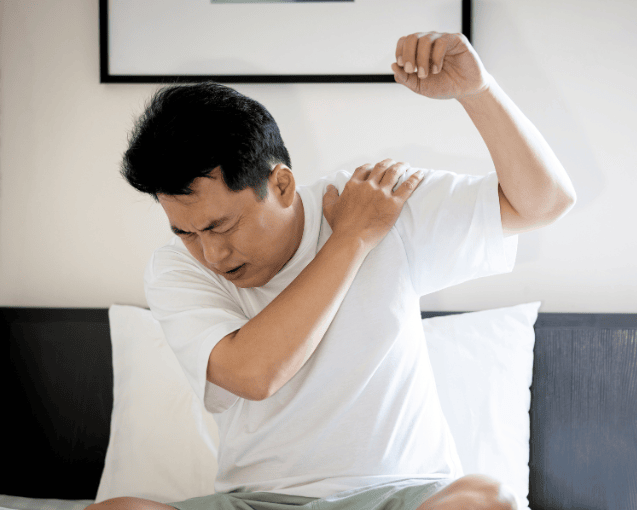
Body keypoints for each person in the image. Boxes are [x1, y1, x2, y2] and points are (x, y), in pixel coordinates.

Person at [94, 32, 575, 510]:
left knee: (491, 500)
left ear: (280, 184)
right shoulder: (179, 268)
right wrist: (351, 240)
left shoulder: (374, 200)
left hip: (399, 495)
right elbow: (255, 373)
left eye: (222, 226)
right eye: (187, 232)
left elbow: (544, 204)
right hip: (258, 503)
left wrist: (479, 91)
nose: (213, 255)